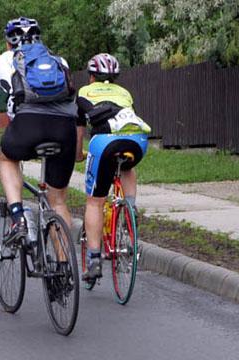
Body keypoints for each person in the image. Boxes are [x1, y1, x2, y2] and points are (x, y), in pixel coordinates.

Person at [0, 17, 77, 243]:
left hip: (27, 127)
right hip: (64, 130)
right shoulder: (58, 60)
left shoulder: (2, 61)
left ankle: (18, 218)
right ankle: (64, 263)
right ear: (39, 39)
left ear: (8, 43)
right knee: (58, 202)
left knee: (7, 158)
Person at [76, 53, 150, 284]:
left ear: (91, 76)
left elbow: (79, 129)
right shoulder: (124, 93)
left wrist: (78, 155)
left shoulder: (84, 92)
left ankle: (94, 259)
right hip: (138, 141)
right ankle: (130, 208)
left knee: (95, 202)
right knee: (127, 166)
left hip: (105, 142)